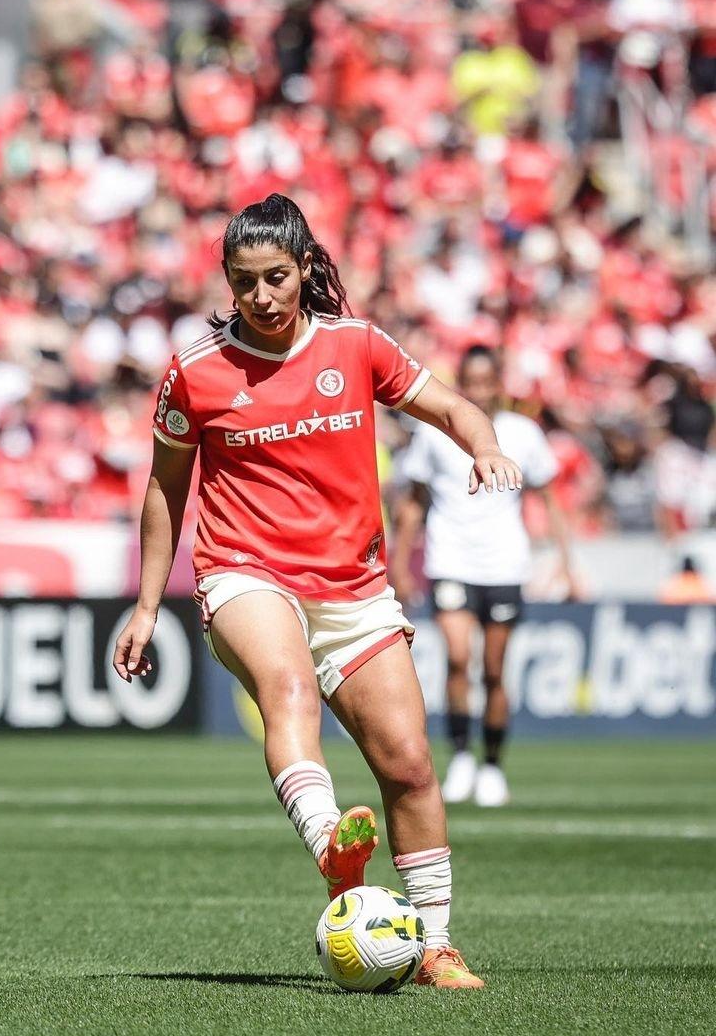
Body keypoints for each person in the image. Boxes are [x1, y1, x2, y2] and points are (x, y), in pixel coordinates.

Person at [113, 194, 525, 991]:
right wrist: (146, 604)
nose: (261, 297)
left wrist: (484, 447)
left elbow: (449, 405)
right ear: (226, 284)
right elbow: (165, 490)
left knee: (408, 767)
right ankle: (333, 839)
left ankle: (435, 944)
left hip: (355, 585)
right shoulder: (195, 372)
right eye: (243, 283)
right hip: (245, 570)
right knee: (288, 687)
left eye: (275, 277)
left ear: (306, 268)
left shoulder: (357, 345)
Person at [391, 346, 576, 808]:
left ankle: (492, 764)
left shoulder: (523, 434)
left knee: (495, 669)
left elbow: (550, 499)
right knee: (457, 659)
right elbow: (413, 502)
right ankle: (460, 757)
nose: (476, 390)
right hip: (450, 560)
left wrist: (566, 562)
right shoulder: (435, 434)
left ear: (497, 383)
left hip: (504, 563)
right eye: (468, 382)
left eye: (484, 381)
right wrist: (398, 562)